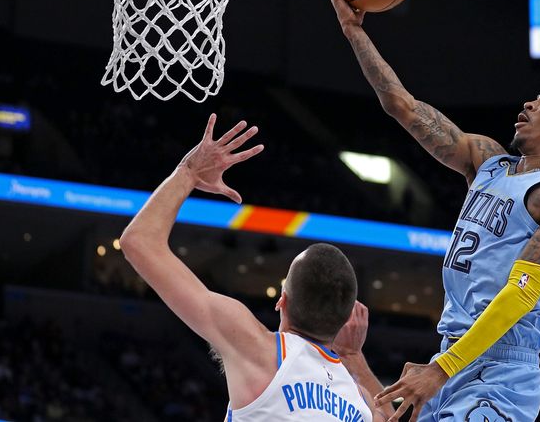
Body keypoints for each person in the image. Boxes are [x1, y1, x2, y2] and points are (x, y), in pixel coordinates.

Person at [327, 0, 540, 422]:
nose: (529, 102)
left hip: (501, 370)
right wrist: (352, 31)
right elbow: (401, 105)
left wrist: (441, 370)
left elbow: (522, 294)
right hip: (451, 354)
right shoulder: (487, 161)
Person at [118, 114, 393, 421]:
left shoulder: (259, 351)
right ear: (347, 322)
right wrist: (354, 358)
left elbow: (139, 242)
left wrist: (190, 172)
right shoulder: (361, 402)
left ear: (282, 301)